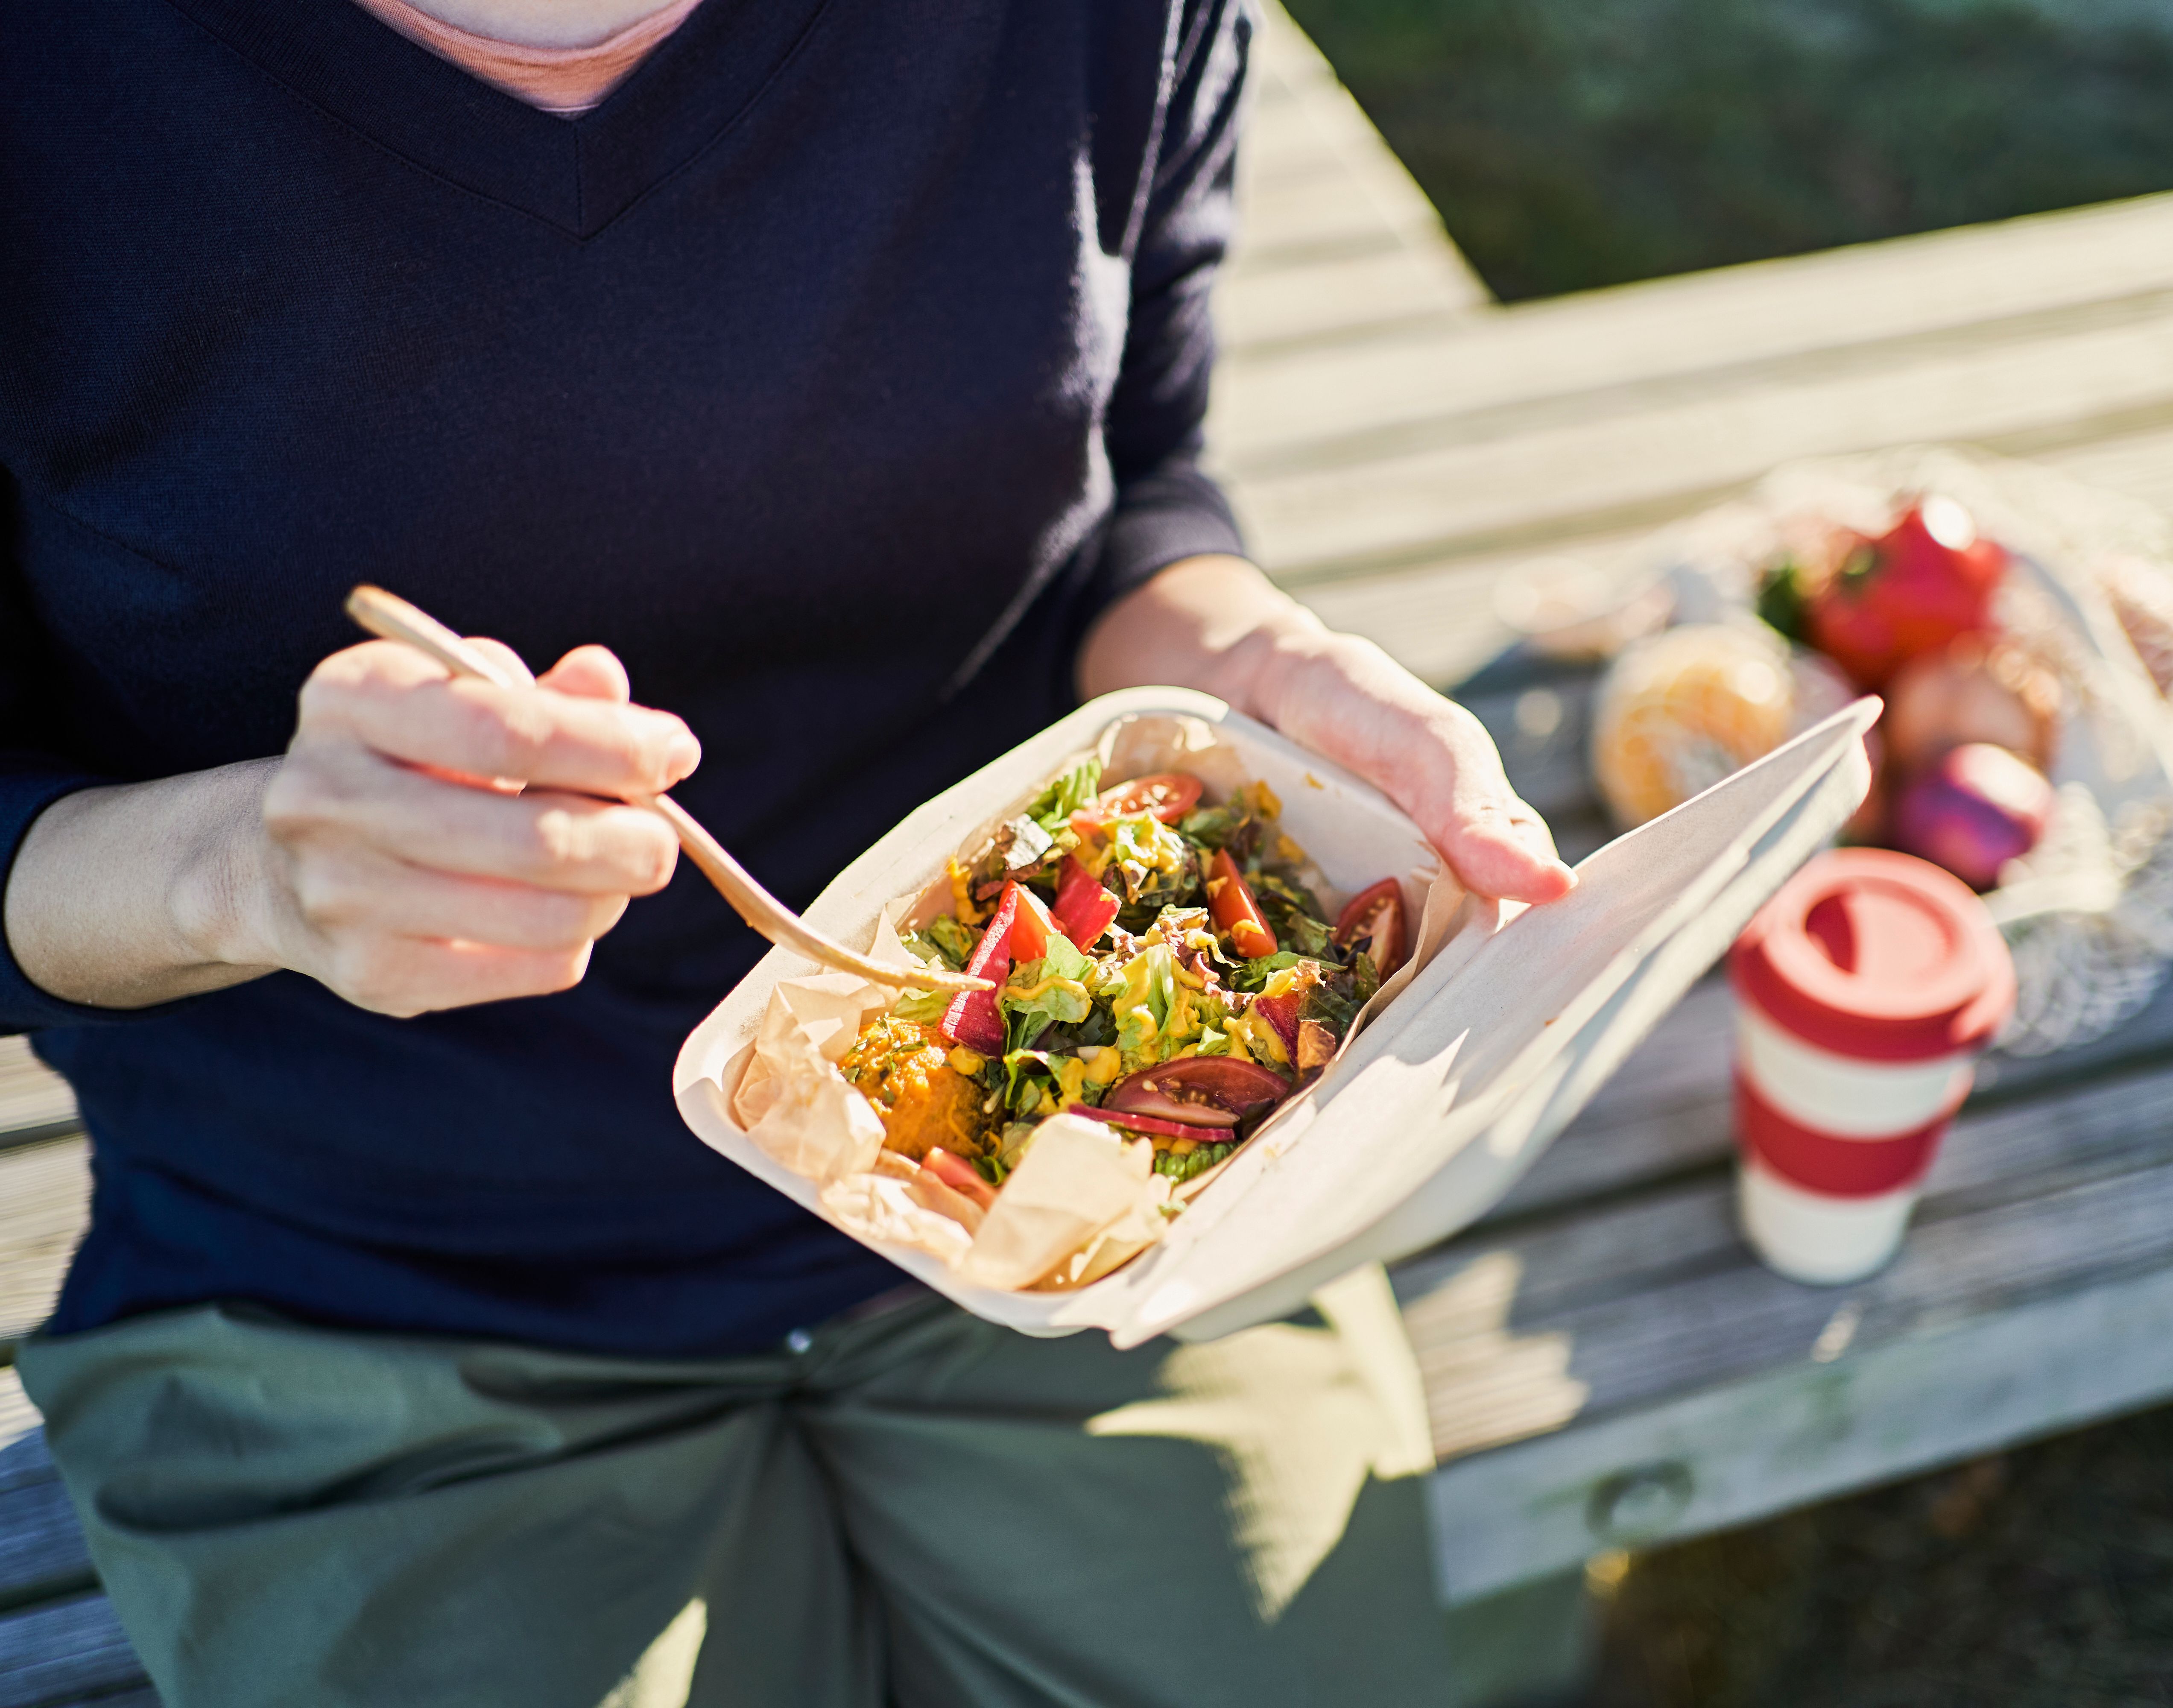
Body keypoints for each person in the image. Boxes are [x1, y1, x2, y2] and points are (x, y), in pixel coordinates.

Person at [0, 0, 1574, 1702]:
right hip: (363, 1281)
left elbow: (1140, 493)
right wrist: (240, 872)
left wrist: (1248, 670)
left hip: (1097, 1210)